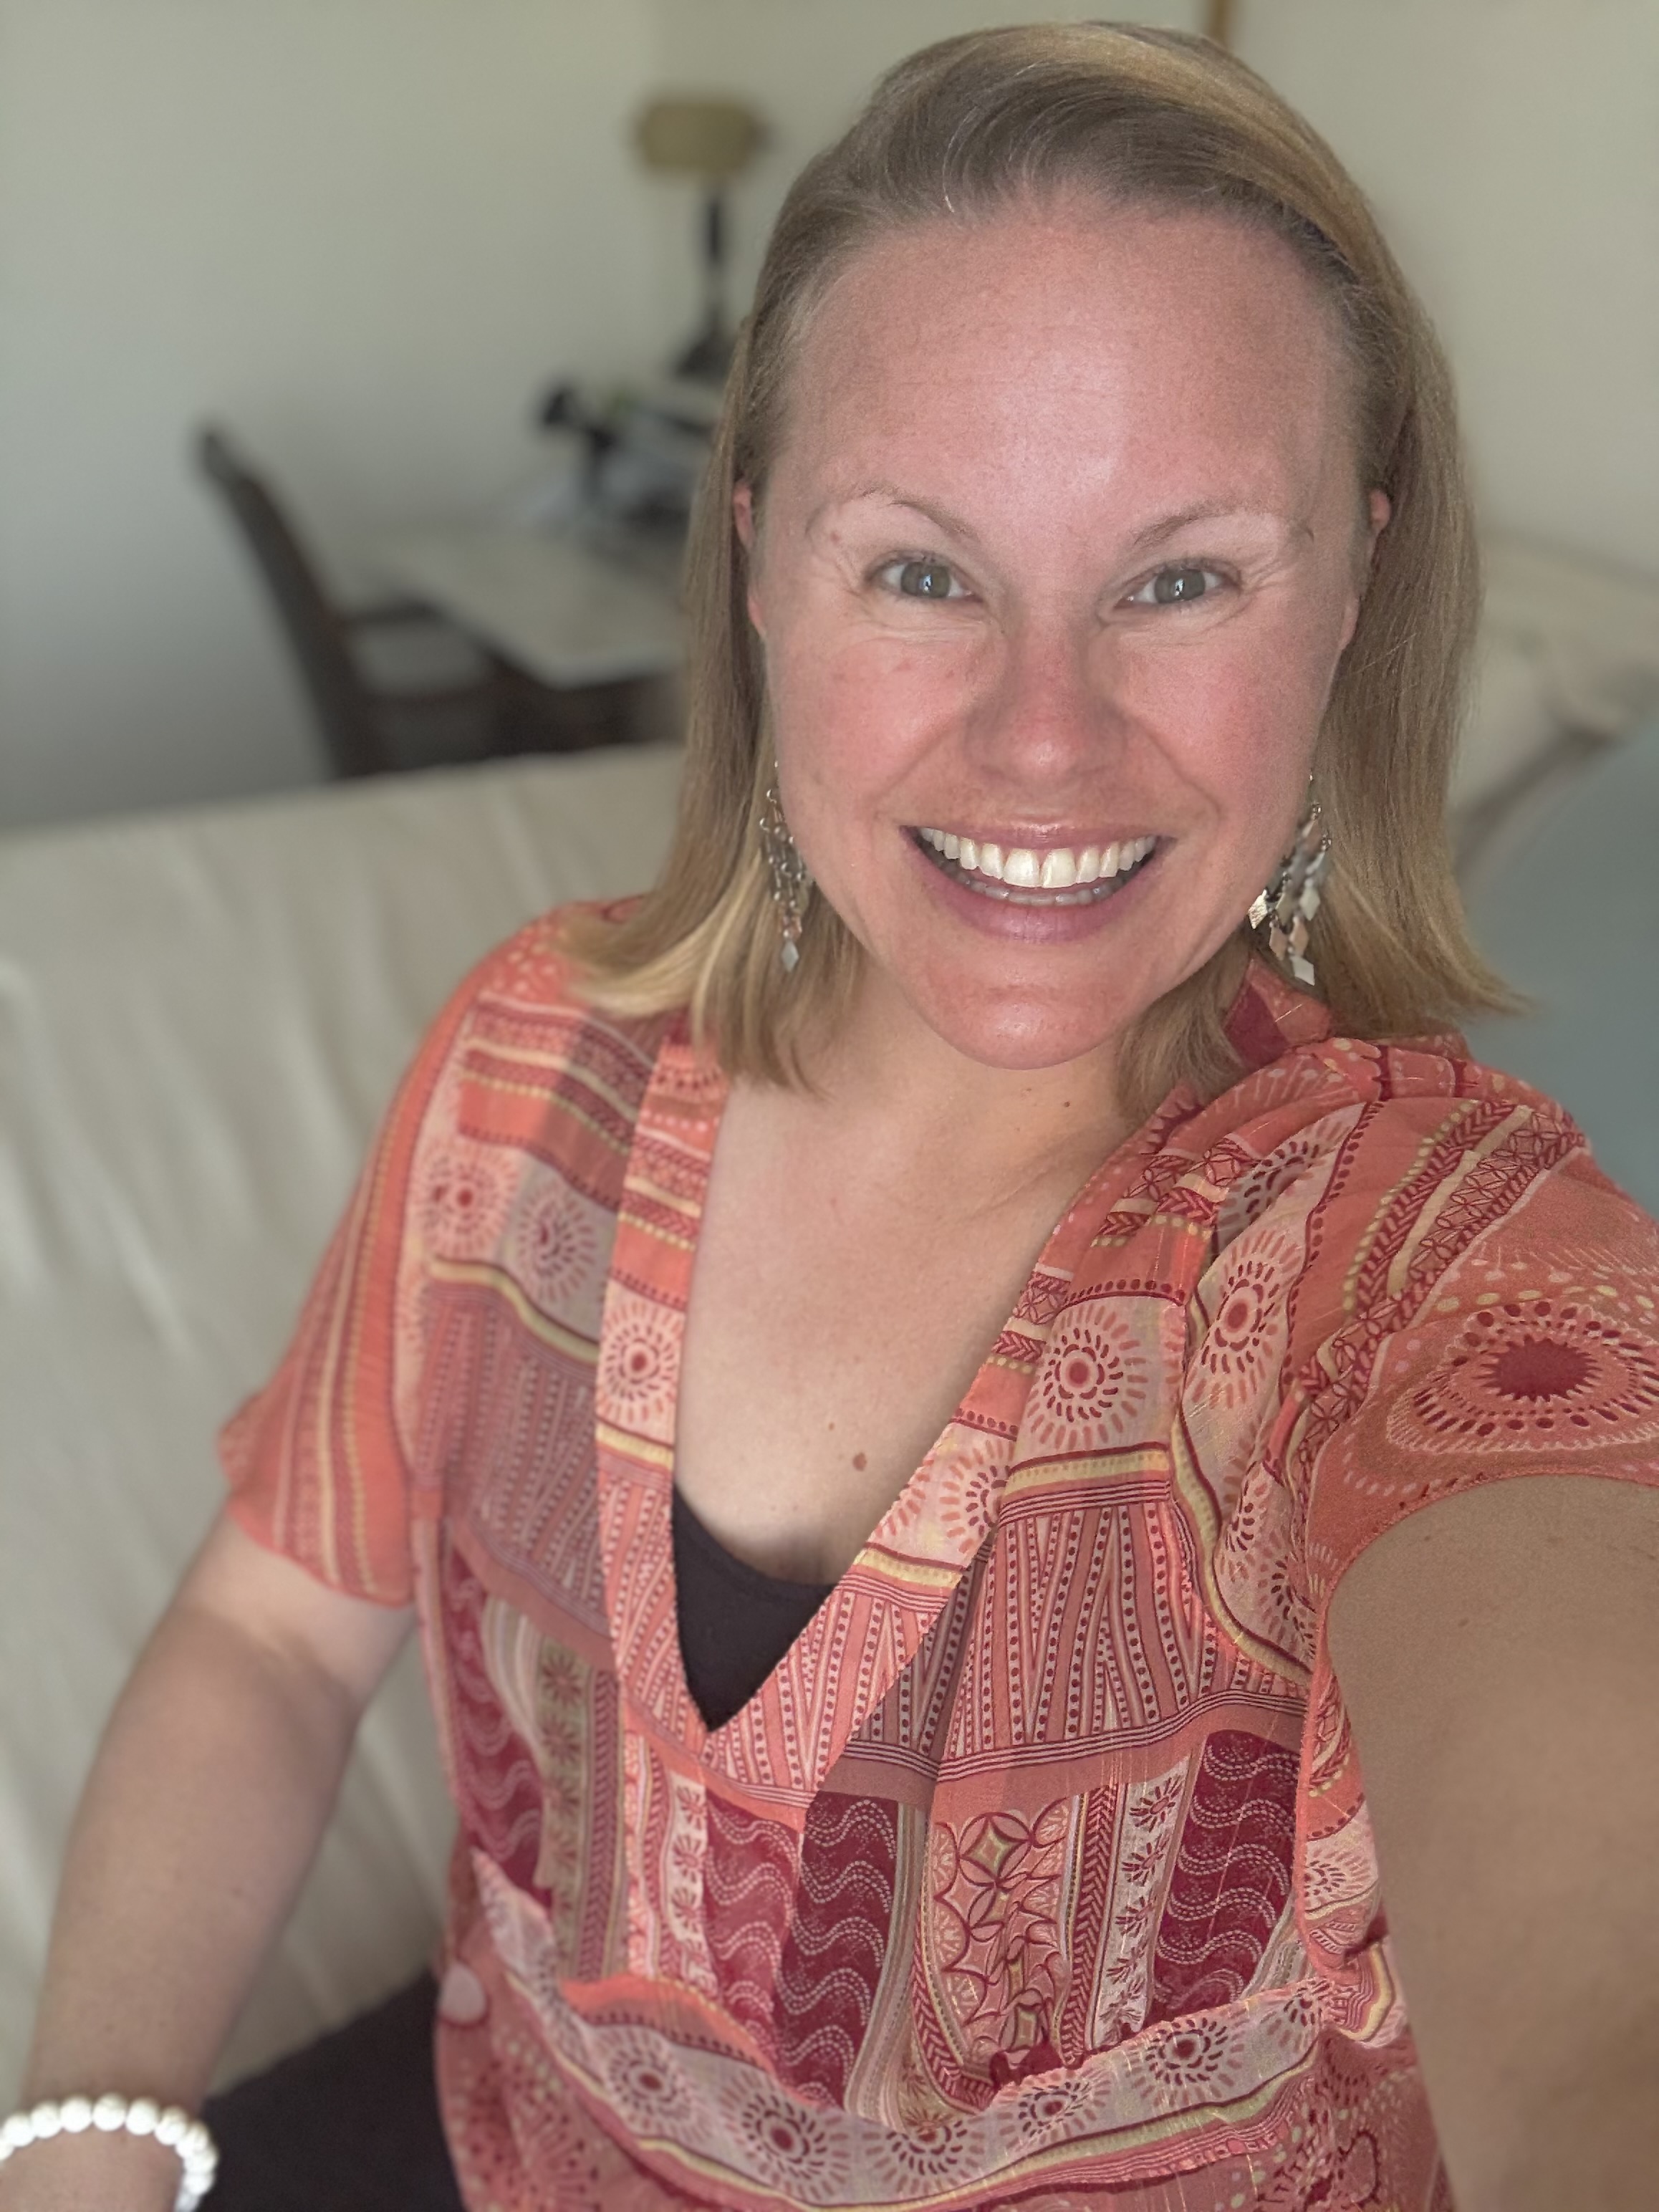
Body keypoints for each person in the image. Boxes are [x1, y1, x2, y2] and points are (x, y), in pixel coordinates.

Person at [6, 22, 1658, 2212]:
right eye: (920, 571)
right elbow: (265, 1638)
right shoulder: (535, 1070)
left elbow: (1604, 2005)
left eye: (1180, 578)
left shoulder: (1424, 1265)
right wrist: (86, 2143)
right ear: (760, 563)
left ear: (1350, 590)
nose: (1043, 739)